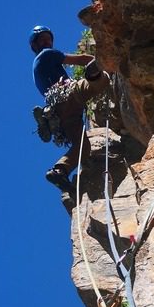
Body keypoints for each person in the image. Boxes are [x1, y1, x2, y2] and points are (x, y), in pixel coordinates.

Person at [30, 24, 109, 192]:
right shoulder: (47, 54)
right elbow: (80, 59)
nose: (47, 42)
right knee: (102, 80)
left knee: (83, 147)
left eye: (49, 39)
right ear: (35, 45)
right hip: (67, 95)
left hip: (61, 114)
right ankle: (92, 74)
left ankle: (60, 170)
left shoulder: (36, 69)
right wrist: (101, 60)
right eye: (42, 39)